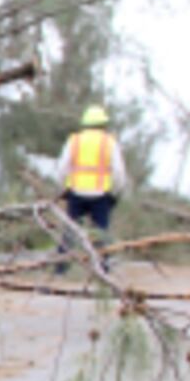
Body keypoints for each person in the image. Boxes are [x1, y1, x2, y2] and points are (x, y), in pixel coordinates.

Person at [56, 105, 126, 271]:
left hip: (76, 193)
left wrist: (63, 188)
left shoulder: (74, 140)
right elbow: (119, 172)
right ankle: (102, 267)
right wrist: (115, 192)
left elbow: (61, 168)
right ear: (104, 124)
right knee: (101, 232)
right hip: (101, 194)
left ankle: (61, 267)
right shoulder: (109, 142)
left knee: (70, 231)